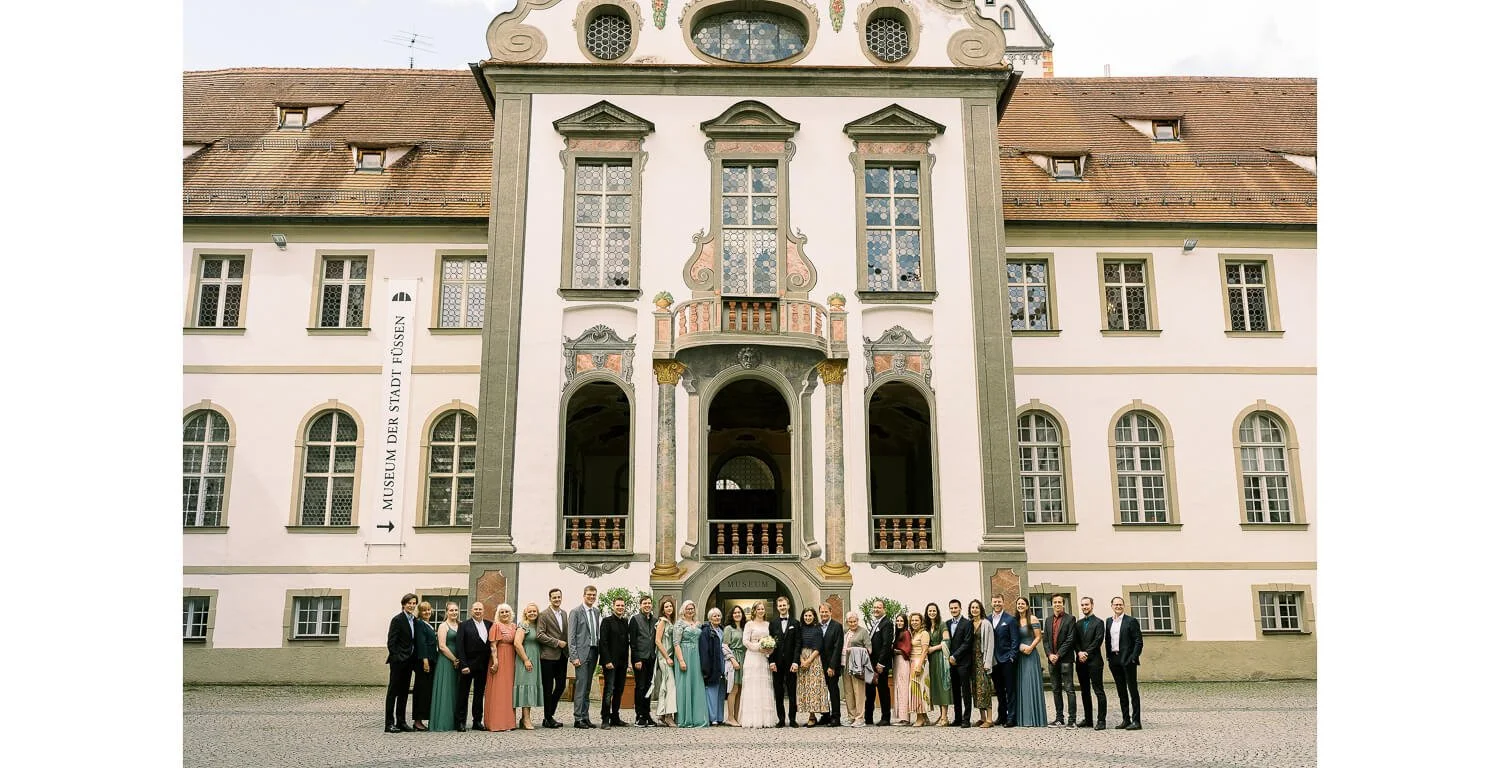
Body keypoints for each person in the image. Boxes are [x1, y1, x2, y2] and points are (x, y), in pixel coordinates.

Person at [1105, 596, 1144, 730]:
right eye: (1115, 604)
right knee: (1121, 691)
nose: (1118, 606)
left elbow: (1138, 641)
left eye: (1120, 604)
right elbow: (1108, 640)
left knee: (1133, 691)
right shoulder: (1109, 621)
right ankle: (1125, 719)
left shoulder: (1131, 621)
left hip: (1127, 660)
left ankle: (1136, 721)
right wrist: (1109, 657)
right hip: (1114, 660)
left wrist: (1133, 658)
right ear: (1112, 606)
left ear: (1124, 606)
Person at [738, 601, 777, 728]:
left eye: (762, 609)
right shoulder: (749, 624)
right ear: (754, 611)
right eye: (758, 609)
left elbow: (771, 639)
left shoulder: (768, 624)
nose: (761, 611)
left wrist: (769, 648)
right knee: (753, 686)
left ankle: (765, 719)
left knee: (764, 685)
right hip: (753, 657)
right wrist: (758, 647)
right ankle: (752, 719)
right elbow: (745, 641)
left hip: (764, 657)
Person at [567, 585, 602, 729]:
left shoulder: (596, 611)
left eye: (594, 595)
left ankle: (586, 716)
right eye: (589, 595)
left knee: (588, 686)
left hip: (594, 652)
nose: (591, 597)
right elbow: (571, 636)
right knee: (581, 686)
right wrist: (573, 656)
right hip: (581, 654)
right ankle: (578, 718)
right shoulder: (576, 612)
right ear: (584, 595)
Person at [535, 588, 570, 729]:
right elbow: (540, 635)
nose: (557, 599)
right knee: (548, 688)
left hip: (562, 656)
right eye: (554, 597)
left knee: (561, 686)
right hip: (548, 657)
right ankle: (548, 718)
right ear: (550, 599)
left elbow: (565, 633)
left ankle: (549, 714)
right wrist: (556, 642)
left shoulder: (564, 614)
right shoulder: (543, 615)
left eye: (559, 597)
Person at [384, 593, 420, 733]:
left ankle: (401, 721)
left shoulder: (414, 620)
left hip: (409, 662)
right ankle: (389, 723)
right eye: (409, 603)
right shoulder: (397, 620)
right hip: (398, 662)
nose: (411, 605)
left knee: (404, 692)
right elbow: (391, 643)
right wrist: (398, 657)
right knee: (393, 692)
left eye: (413, 603)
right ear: (404, 604)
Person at [454, 602, 491, 732]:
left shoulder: (489, 624)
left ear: (483, 610)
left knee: (479, 694)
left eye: (480, 609)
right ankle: (460, 722)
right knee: (463, 694)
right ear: (471, 611)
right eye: (476, 609)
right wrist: (463, 665)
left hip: (483, 666)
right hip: (467, 666)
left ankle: (477, 721)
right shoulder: (464, 625)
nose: (478, 611)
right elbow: (460, 646)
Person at [1043, 594, 1077, 728]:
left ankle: (1072, 720)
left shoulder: (1070, 619)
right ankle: (1059, 718)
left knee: (1069, 689)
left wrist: (1058, 654)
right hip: (1052, 660)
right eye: (1055, 602)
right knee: (1056, 689)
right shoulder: (1048, 620)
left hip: (1065, 660)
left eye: (1059, 602)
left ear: (1063, 604)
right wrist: (1050, 654)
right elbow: (1045, 640)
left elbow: (1070, 639)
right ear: (1052, 604)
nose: (1057, 604)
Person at [673, 601, 709, 727]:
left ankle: (697, 717)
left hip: (696, 656)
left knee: (696, 684)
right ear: (683, 610)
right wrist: (681, 660)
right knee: (684, 685)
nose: (690, 611)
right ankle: (685, 718)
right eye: (688, 609)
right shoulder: (679, 624)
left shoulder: (698, 624)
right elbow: (676, 643)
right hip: (684, 654)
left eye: (692, 608)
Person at [1013, 597, 1047, 727]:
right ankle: (1023, 718)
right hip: (1020, 655)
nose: (1020, 606)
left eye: (1023, 604)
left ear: (1027, 606)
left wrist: (1030, 647)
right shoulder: (1015, 621)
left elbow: (1039, 636)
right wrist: (1019, 647)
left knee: (1031, 683)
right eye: (1018, 604)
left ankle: (1034, 718)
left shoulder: (1032, 619)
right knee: (1021, 685)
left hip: (1030, 653)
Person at [768, 595, 801, 727]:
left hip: (791, 663)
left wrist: (795, 662)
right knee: (779, 691)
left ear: (788, 606)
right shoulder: (773, 623)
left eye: (784, 605)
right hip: (777, 663)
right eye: (780, 605)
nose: (782, 607)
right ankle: (781, 719)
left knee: (792, 692)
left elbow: (798, 643)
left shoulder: (795, 623)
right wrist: (771, 661)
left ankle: (792, 719)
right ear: (777, 607)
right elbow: (769, 644)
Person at [1074, 596, 1107, 730]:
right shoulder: (1078, 624)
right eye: (1082, 605)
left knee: (1098, 691)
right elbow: (1075, 641)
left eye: (1087, 605)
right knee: (1084, 691)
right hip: (1080, 662)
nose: (1084, 607)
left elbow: (1098, 640)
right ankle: (1088, 719)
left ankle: (1101, 720)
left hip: (1094, 661)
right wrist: (1079, 652)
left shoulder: (1099, 622)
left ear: (1092, 605)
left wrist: (1086, 653)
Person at [597, 597, 630, 729]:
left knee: (619, 690)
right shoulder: (606, 621)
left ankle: (615, 717)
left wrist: (627, 663)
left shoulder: (625, 622)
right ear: (613, 606)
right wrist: (607, 661)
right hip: (610, 662)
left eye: (622, 605)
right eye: (618, 605)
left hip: (622, 663)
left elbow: (626, 644)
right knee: (609, 690)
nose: (620, 607)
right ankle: (605, 718)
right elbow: (603, 642)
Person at [484, 603, 518, 731]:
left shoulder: (514, 626)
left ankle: (509, 722)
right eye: (502, 612)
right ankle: (496, 723)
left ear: (511, 613)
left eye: (507, 612)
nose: (504, 614)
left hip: (511, 659)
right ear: (498, 614)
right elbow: (493, 646)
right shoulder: (496, 626)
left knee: (509, 691)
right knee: (499, 690)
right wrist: (496, 661)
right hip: (499, 659)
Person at [988, 595, 1020, 728]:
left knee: (1010, 690)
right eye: (995, 602)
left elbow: (1015, 640)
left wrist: (1012, 656)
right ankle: (1002, 715)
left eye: (999, 602)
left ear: (1003, 603)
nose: (997, 604)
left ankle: (1011, 717)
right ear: (991, 603)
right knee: (999, 690)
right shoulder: (988, 619)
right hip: (994, 660)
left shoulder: (1010, 619)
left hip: (1007, 660)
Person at [431, 602, 463, 732]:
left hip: (458, 661)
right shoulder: (443, 626)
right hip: (446, 661)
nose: (454, 612)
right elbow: (442, 646)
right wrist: (454, 659)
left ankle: (454, 721)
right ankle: (443, 722)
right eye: (451, 610)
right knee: (446, 690)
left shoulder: (460, 625)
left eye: (456, 610)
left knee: (455, 691)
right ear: (446, 612)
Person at [794, 608, 830, 725]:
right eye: (805, 616)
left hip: (814, 660)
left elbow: (819, 647)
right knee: (805, 688)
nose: (808, 618)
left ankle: (814, 716)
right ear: (802, 617)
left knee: (813, 688)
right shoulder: (800, 629)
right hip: (802, 659)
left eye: (810, 616)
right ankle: (811, 715)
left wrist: (809, 660)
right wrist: (801, 660)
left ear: (814, 616)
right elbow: (797, 645)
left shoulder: (818, 628)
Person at [628, 595, 658, 727]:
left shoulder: (655, 620)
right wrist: (636, 659)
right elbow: (632, 642)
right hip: (640, 659)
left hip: (651, 658)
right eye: (644, 603)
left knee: (648, 687)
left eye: (649, 603)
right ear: (640, 605)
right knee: (640, 686)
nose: (647, 605)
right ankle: (639, 715)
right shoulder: (635, 619)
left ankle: (647, 715)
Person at [944, 599, 974, 727]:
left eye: (955, 608)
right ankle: (957, 718)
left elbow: (967, 643)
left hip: (963, 662)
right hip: (951, 663)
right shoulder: (947, 623)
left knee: (966, 692)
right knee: (955, 691)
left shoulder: (967, 623)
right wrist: (949, 657)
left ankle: (966, 719)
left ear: (960, 608)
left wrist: (955, 656)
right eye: (951, 608)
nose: (953, 610)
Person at [513, 602, 542, 730]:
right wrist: (525, 660)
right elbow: (517, 644)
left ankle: (524, 718)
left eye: (534, 611)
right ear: (525, 613)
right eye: (529, 611)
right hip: (525, 660)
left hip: (535, 659)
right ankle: (526, 719)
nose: (532, 613)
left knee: (530, 688)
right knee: (526, 688)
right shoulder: (523, 625)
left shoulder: (537, 626)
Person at [840, 610, 871, 727]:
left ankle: (860, 717)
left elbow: (869, 649)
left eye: (854, 621)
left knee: (859, 692)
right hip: (845, 664)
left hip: (857, 666)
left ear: (858, 621)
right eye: (850, 621)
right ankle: (851, 716)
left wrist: (853, 650)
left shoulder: (863, 632)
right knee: (848, 692)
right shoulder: (845, 632)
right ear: (847, 622)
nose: (852, 624)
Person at [864, 600, 893, 726]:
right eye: (874, 607)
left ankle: (886, 718)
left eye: (879, 607)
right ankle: (868, 718)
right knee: (869, 691)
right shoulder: (876, 623)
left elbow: (886, 644)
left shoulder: (887, 623)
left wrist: (881, 663)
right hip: (871, 663)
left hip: (880, 664)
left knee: (883, 690)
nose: (876, 609)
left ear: (884, 609)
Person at [699, 607, 729, 725]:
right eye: (714, 616)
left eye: (718, 616)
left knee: (721, 693)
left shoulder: (722, 630)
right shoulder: (706, 631)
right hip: (712, 665)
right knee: (712, 692)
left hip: (723, 663)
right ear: (710, 618)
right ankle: (712, 718)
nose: (717, 618)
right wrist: (706, 669)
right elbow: (704, 650)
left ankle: (720, 717)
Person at [651, 598, 678, 727]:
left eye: (670, 606)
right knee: (670, 684)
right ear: (662, 609)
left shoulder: (672, 622)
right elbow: (657, 641)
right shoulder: (662, 621)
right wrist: (667, 657)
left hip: (671, 657)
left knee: (666, 685)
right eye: (666, 607)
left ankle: (662, 714)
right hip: (664, 657)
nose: (669, 608)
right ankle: (668, 716)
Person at [923, 603, 952, 726]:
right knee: (936, 687)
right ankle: (941, 715)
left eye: (934, 610)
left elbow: (946, 641)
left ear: (937, 611)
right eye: (930, 611)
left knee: (943, 686)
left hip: (940, 658)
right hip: (932, 660)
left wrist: (933, 649)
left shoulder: (942, 624)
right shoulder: (928, 626)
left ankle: (945, 717)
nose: (932, 613)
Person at [412, 601, 438, 731]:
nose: (427, 612)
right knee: (421, 691)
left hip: (431, 661)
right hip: (424, 663)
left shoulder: (427, 624)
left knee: (427, 691)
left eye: (429, 610)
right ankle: (417, 721)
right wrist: (425, 661)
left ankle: (421, 719)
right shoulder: (420, 624)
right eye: (424, 610)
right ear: (420, 612)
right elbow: (421, 643)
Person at [817, 603, 845, 726]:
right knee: (822, 691)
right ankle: (825, 715)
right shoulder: (817, 626)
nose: (823, 614)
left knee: (833, 690)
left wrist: (832, 666)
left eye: (826, 612)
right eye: (822, 612)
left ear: (830, 612)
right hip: (819, 665)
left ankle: (836, 717)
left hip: (831, 666)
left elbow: (837, 647)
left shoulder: (837, 627)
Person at [969, 599, 996, 728]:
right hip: (973, 661)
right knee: (976, 690)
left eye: (977, 607)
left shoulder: (986, 624)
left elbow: (990, 644)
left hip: (983, 660)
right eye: (972, 607)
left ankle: (990, 719)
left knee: (985, 689)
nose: (974, 609)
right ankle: (982, 717)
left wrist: (988, 662)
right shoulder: (969, 624)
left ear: (981, 610)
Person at [723, 605, 747, 726]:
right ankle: (730, 717)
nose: (737, 614)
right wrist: (733, 660)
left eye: (739, 612)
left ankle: (737, 716)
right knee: (733, 689)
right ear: (732, 615)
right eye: (735, 612)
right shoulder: (728, 628)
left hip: (744, 658)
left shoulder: (744, 628)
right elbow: (725, 646)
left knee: (741, 690)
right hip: (734, 658)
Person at [906, 612, 931, 727]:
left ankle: (920, 718)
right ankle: (925, 717)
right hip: (912, 662)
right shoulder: (913, 633)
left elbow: (925, 650)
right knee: (916, 690)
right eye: (912, 620)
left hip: (920, 662)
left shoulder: (924, 633)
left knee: (918, 691)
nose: (914, 622)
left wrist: (919, 665)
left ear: (921, 622)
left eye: (917, 620)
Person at [892, 613, 912, 725]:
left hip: (903, 662)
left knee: (903, 688)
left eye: (901, 621)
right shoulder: (899, 634)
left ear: (905, 622)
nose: (899, 623)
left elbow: (908, 650)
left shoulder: (906, 633)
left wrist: (897, 651)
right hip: (897, 662)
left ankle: (905, 718)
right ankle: (900, 717)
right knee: (898, 687)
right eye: (897, 621)